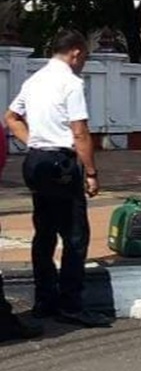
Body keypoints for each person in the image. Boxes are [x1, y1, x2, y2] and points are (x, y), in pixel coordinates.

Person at [4, 30, 110, 327]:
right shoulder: (71, 83)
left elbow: (10, 117)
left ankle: (44, 300)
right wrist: (91, 173)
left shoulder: (34, 80)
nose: (83, 63)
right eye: (84, 57)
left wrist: (33, 142)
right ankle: (71, 305)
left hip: (36, 161)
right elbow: (80, 132)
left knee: (45, 232)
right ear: (76, 53)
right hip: (61, 163)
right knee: (76, 236)